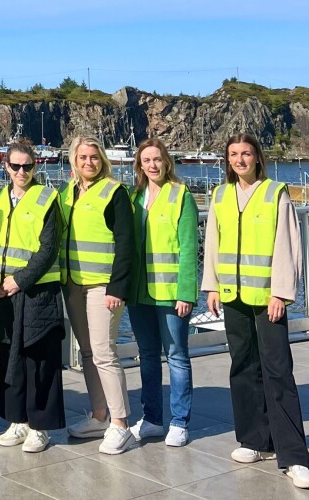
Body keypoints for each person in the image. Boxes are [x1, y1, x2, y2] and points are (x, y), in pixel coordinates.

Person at [202, 133, 309, 489]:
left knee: (278, 371)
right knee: (243, 368)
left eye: (246, 153)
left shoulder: (274, 193)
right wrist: (212, 286)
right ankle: (255, 439)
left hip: (268, 299)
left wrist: (282, 293)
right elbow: (213, 243)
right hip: (232, 296)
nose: (240, 159)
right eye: (233, 154)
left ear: (257, 157)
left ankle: (295, 457)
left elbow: (288, 245)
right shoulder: (220, 194)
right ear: (228, 159)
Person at [0, 139, 65, 454]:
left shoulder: (48, 199)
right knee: (10, 356)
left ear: (36, 166)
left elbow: (48, 248)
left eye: (27, 166)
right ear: (6, 166)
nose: (21, 171)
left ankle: (39, 427)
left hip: (37, 290)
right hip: (2, 291)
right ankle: (17, 420)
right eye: (15, 166)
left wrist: (19, 280)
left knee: (40, 358)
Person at [60, 136, 136, 455]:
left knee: (105, 353)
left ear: (102, 160)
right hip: (73, 283)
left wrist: (118, 287)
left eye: (94, 157)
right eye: (82, 157)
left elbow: (125, 243)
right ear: (74, 161)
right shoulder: (68, 193)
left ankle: (121, 424)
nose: (88, 162)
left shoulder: (114, 192)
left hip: (103, 286)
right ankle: (100, 415)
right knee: (88, 352)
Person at [126, 139, 197, 448]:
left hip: (170, 293)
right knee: (148, 357)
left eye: (157, 159)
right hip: (139, 294)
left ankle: (179, 421)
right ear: (139, 166)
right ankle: (153, 418)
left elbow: (189, 248)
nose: (152, 165)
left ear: (167, 162)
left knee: (178, 356)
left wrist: (186, 293)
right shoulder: (134, 197)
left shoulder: (181, 196)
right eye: (146, 160)